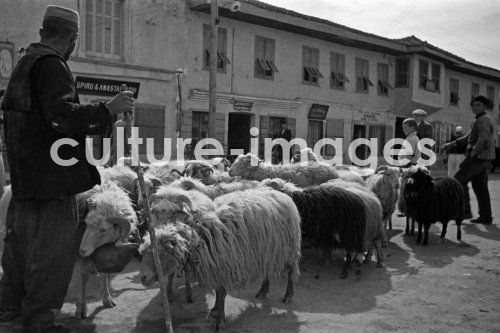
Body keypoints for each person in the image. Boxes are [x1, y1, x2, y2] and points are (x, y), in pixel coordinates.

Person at [0, 6, 134, 333]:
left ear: (44, 30)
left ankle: (8, 308)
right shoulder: (51, 65)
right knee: (52, 257)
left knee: (19, 250)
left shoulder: (25, 63)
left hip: (25, 181)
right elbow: (62, 116)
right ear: (72, 39)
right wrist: (108, 110)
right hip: (53, 184)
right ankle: (40, 323)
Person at [443, 95, 496, 224]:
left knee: (458, 181)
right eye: (473, 105)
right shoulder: (479, 119)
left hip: (478, 157)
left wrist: (473, 152)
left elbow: (483, 138)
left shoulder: (483, 119)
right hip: (484, 158)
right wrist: (453, 143)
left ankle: (464, 212)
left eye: (478, 105)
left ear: (484, 106)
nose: (475, 107)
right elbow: (469, 136)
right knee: (480, 187)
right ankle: (486, 216)